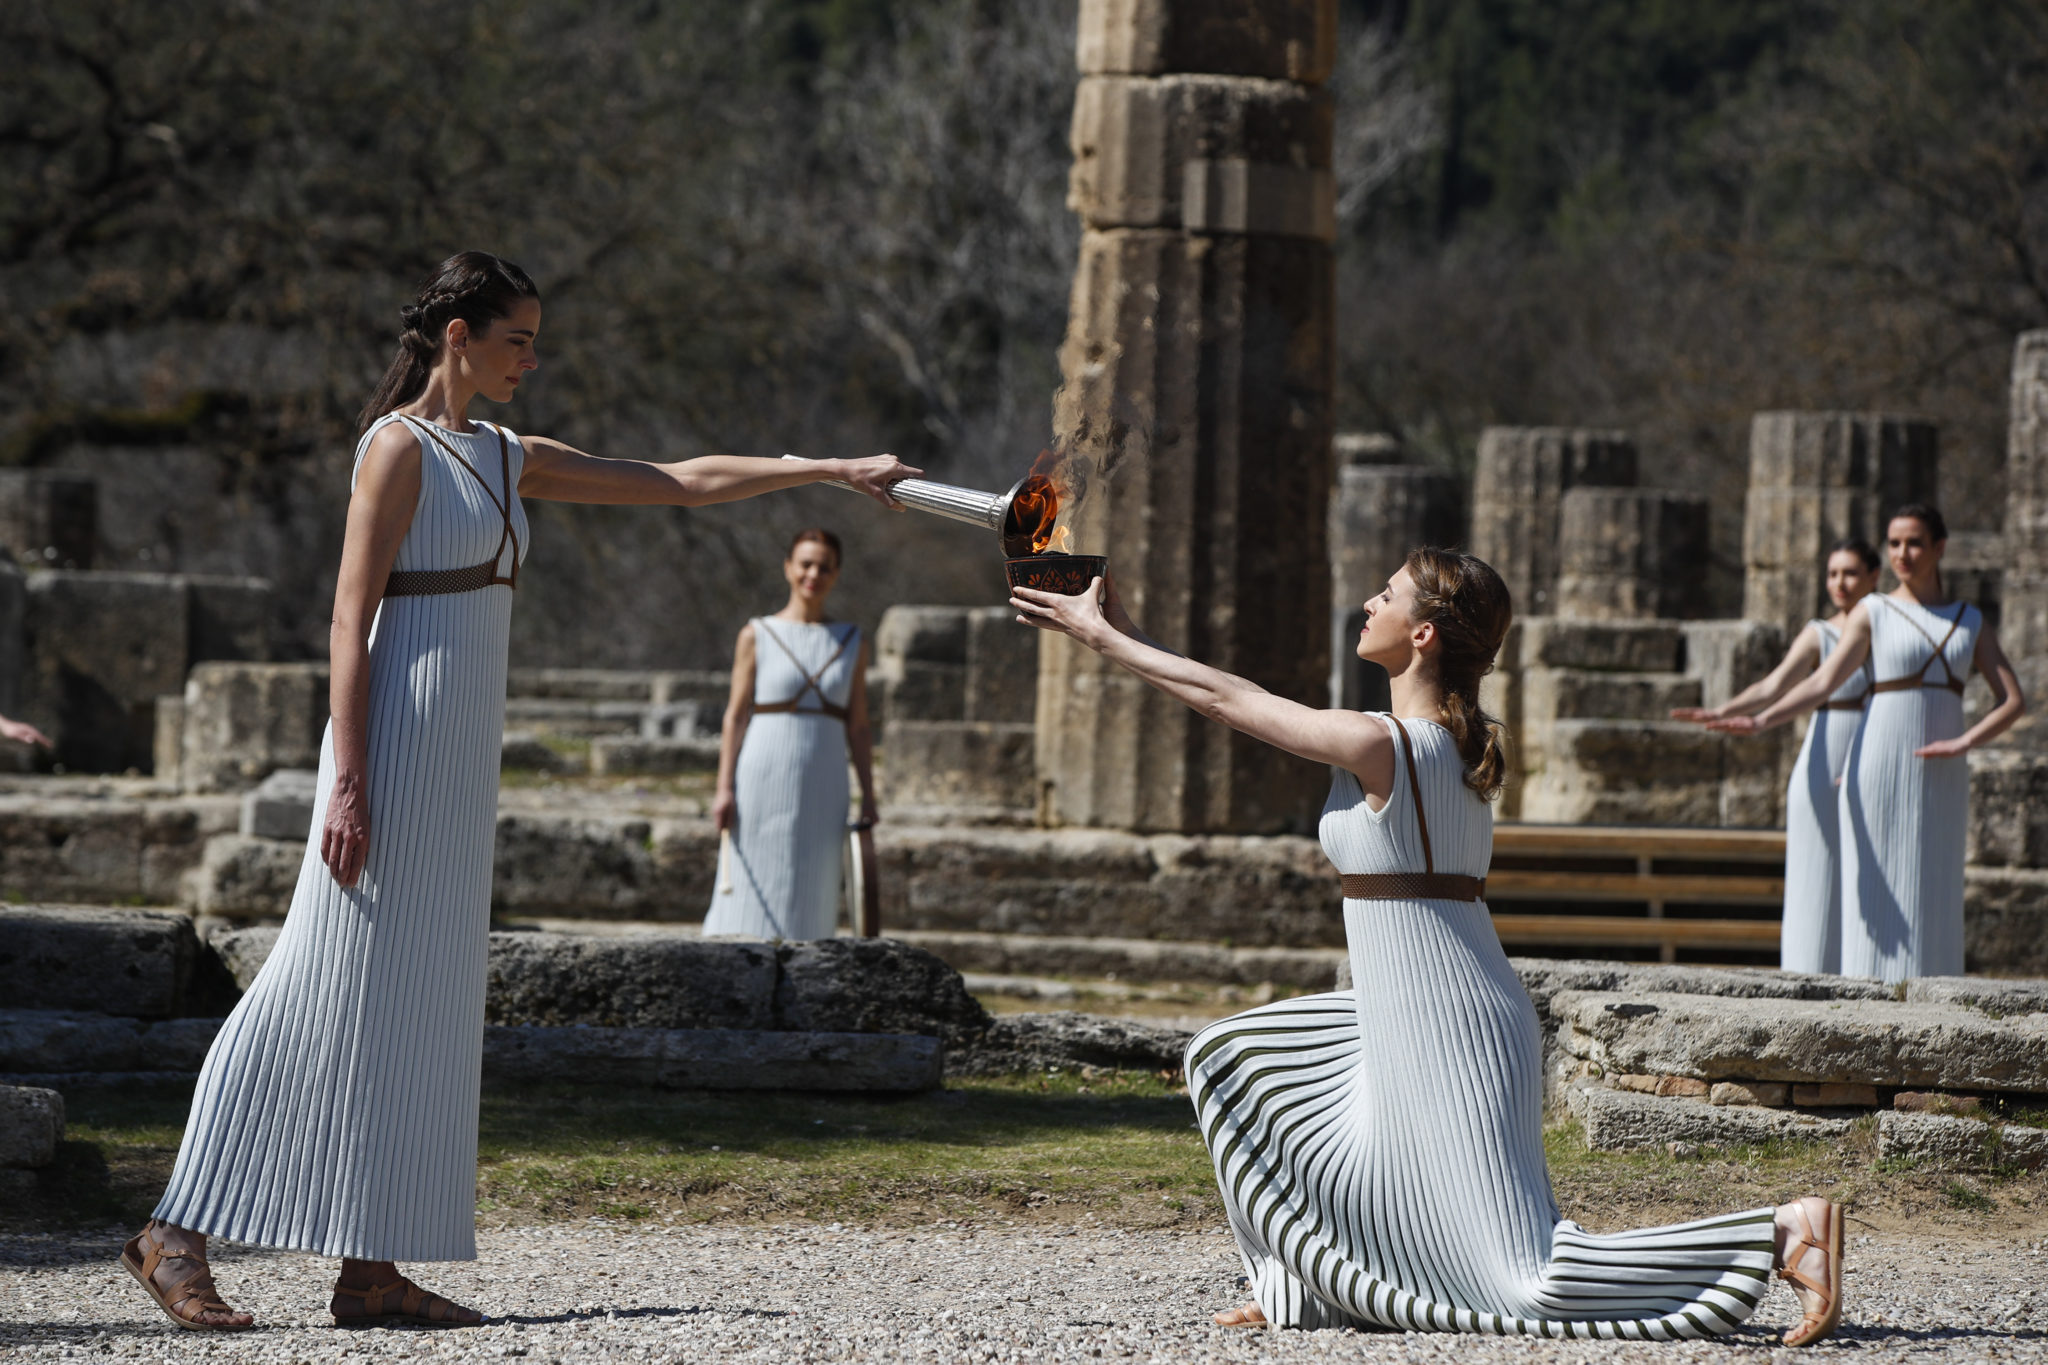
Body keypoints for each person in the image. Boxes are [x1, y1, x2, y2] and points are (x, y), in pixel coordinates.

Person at [119, 251, 917, 1332]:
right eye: (517, 340)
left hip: (457, 764)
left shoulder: (505, 455)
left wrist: (822, 469)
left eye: (537, 340)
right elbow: (348, 621)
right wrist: (348, 781)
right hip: (388, 751)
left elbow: (678, 479)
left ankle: (372, 1267)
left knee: (425, 1003)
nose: (532, 358)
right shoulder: (396, 451)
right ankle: (174, 1229)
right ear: (459, 336)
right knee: (312, 981)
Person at [1011, 549, 1846, 1345]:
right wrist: (1124, 628)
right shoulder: (1429, 739)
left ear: (1423, 635)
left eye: (1388, 592)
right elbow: (1223, 691)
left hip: (1450, 1028)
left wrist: (1105, 639)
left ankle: (1779, 1234)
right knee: (1232, 1057)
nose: (1370, 601)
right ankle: (1308, 1283)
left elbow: (1228, 701)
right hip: (1408, 1011)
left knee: (1526, 1278)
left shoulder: (1392, 746)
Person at [1712, 506, 2024, 982]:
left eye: (1915, 542)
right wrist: (1761, 721)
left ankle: (1935, 1013)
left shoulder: (1969, 620)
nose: (1903, 553)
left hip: (1942, 770)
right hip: (1877, 762)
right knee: (1875, 907)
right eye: (1894, 543)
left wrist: (1962, 743)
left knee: (1933, 888)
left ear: (1940, 548)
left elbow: (2013, 701)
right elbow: (1822, 685)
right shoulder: (1872, 611)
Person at [1672, 541, 1881, 973]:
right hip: (1824, 749)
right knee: (1815, 868)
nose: (1839, 583)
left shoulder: (1885, 629)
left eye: (1850, 573)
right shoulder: (1819, 633)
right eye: (1833, 573)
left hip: (1871, 747)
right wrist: (1724, 710)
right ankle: (1809, 969)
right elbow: (1774, 685)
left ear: (1874, 577)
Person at [703, 527, 874, 939]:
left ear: (836, 574)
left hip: (825, 774)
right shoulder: (756, 634)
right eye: (806, 564)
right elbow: (736, 715)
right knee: (747, 882)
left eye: (824, 567)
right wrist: (723, 788)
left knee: (813, 880)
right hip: (762, 771)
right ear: (788, 568)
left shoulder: (851, 641)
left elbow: (859, 725)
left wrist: (869, 794)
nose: (813, 574)